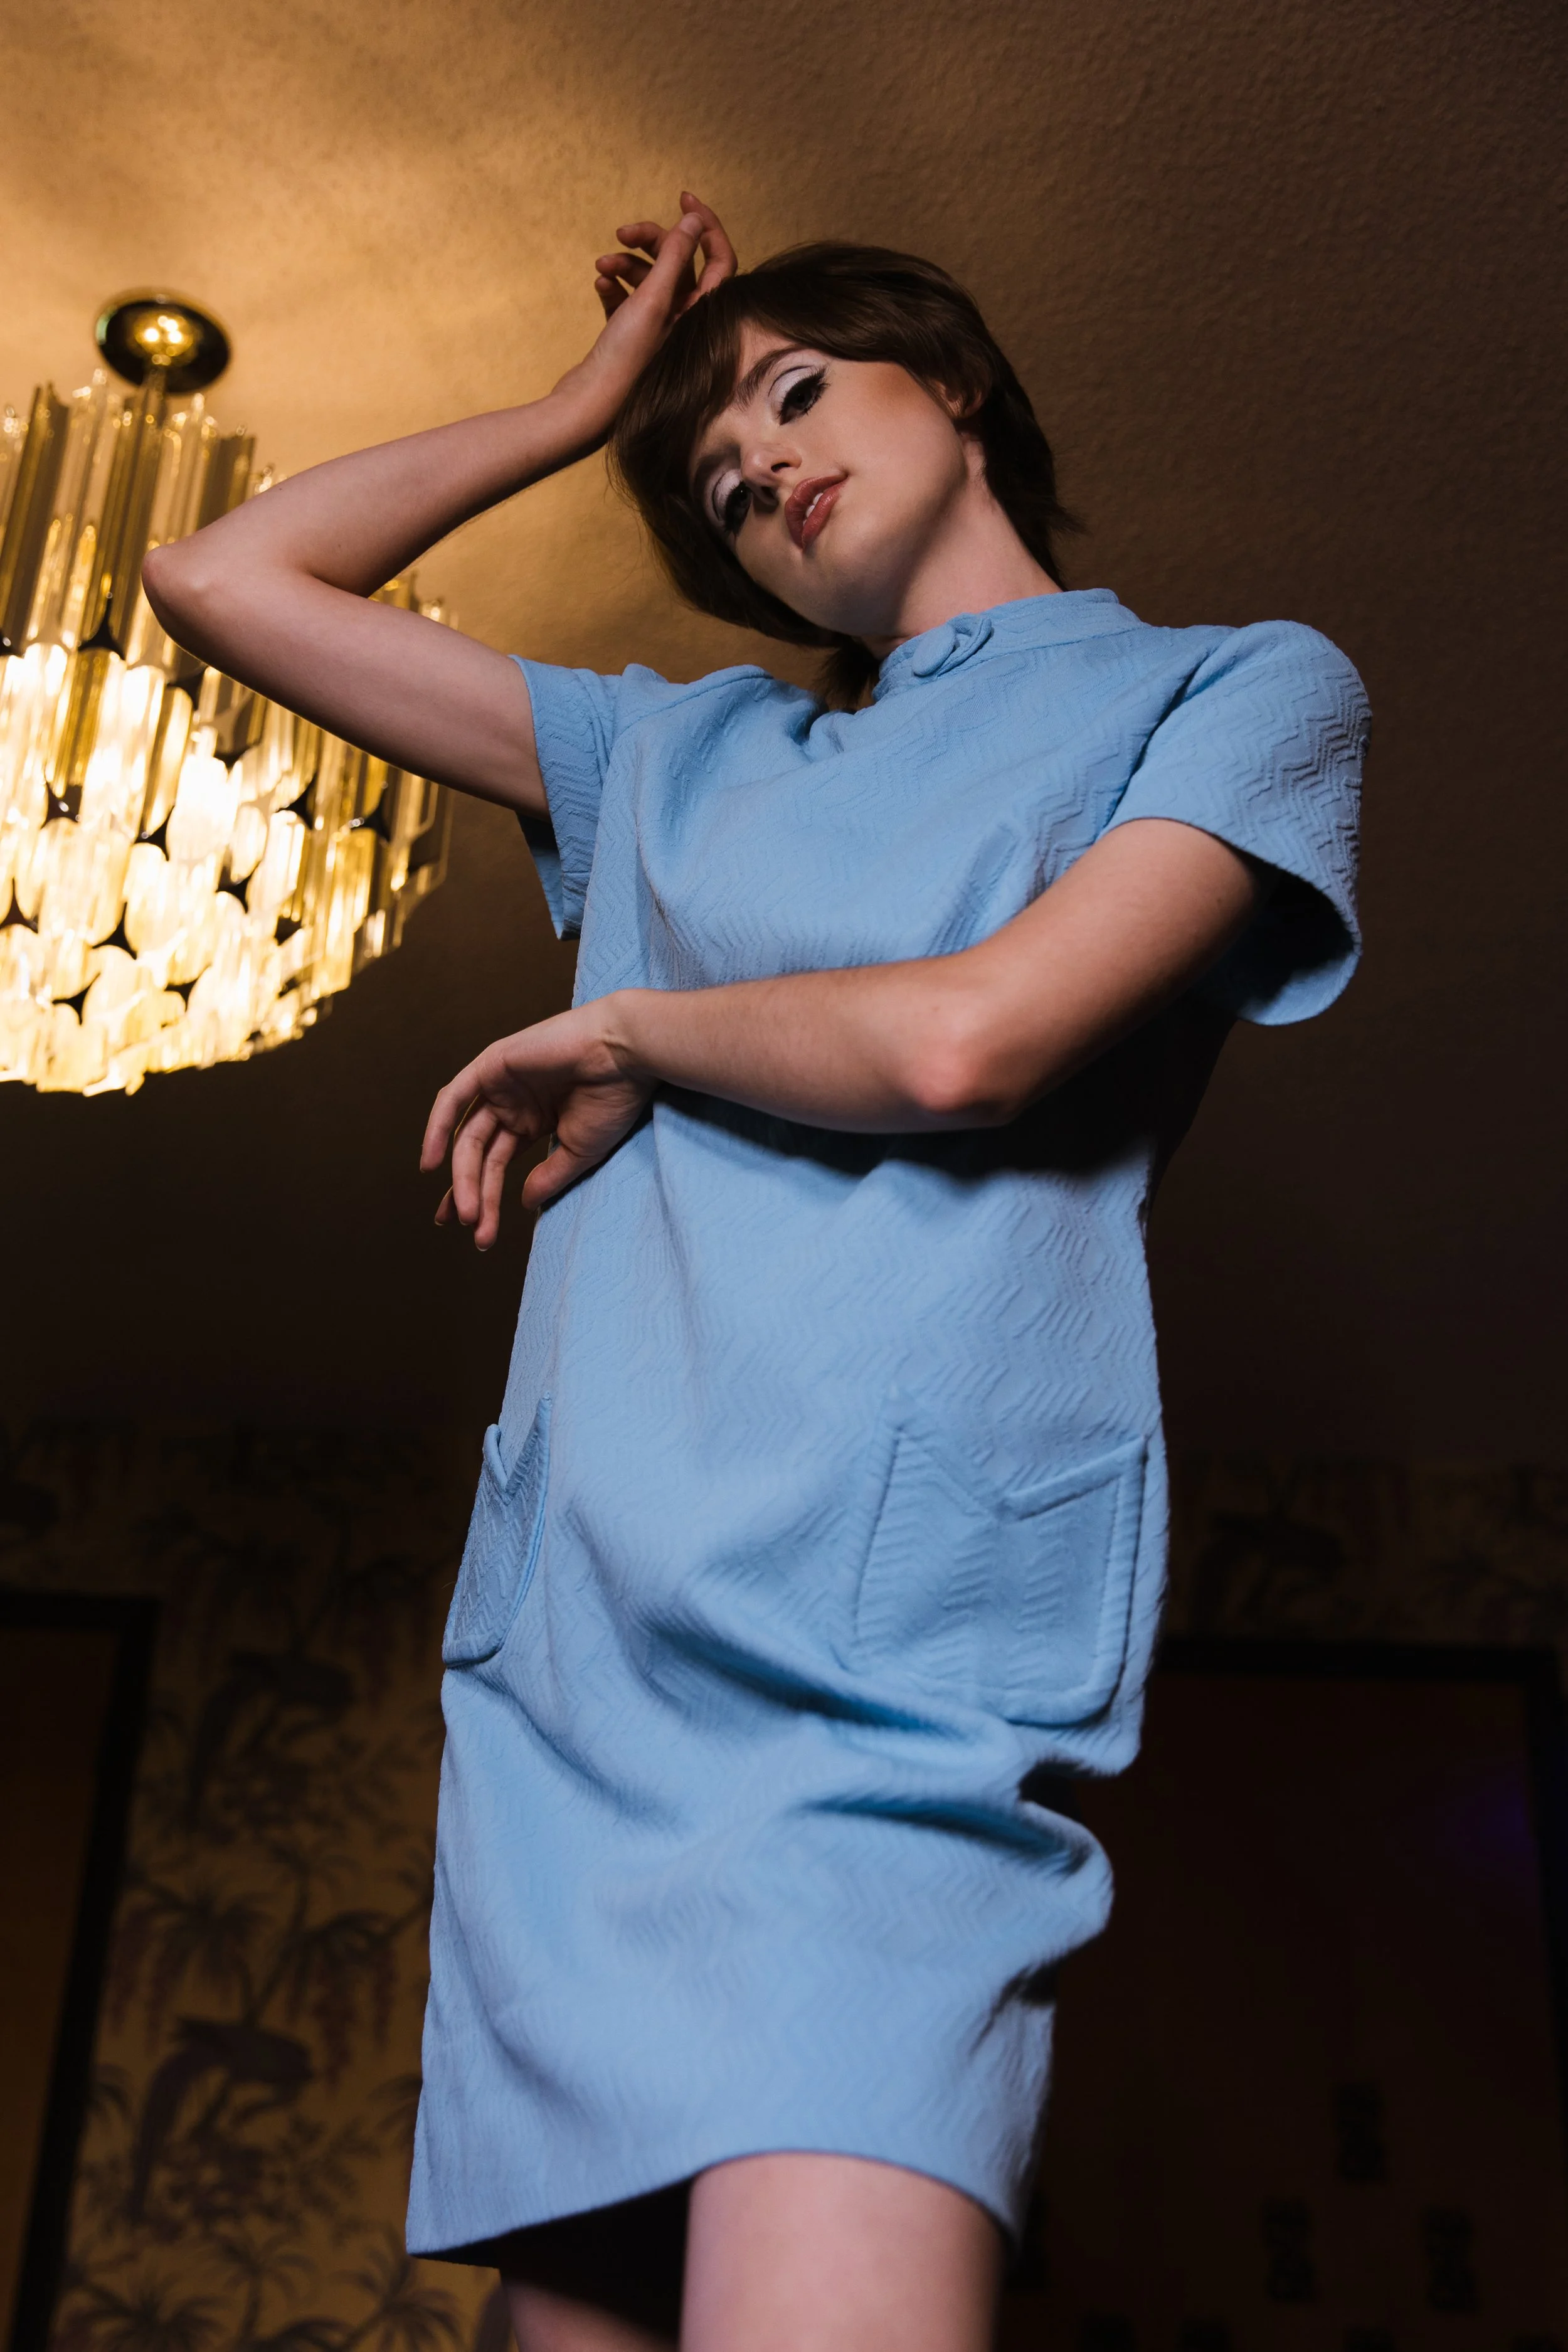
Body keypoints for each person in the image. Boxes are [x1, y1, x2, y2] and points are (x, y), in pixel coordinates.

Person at [143, 193, 1367, 2352]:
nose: (764, 466)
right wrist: (579, 404)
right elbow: (220, 578)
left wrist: (632, 1022)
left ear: (959, 382)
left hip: (884, 1683)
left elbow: (967, 1039)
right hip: (592, 1697)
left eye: (799, 390)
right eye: (718, 481)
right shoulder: (671, 761)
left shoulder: (1237, 689)